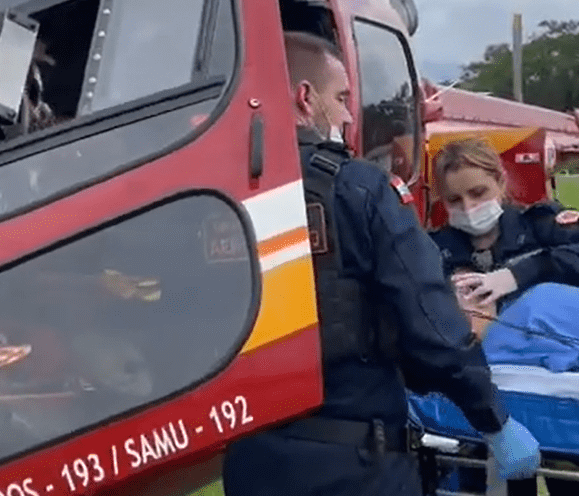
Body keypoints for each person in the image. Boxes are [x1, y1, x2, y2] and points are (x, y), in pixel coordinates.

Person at [221, 31, 541, 495]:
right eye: (343, 98)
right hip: (355, 462)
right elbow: (431, 328)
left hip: (252, 459)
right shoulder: (358, 190)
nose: (351, 114)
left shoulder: (214, 198)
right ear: (306, 98)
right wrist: (494, 420)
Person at [428, 137, 579, 496]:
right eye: (455, 200)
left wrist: (521, 275)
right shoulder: (432, 249)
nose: (469, 207)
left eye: (478, 193)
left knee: (577, 483)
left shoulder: (541, 225)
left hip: (558, 396)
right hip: (482, 403)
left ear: (501, 183)